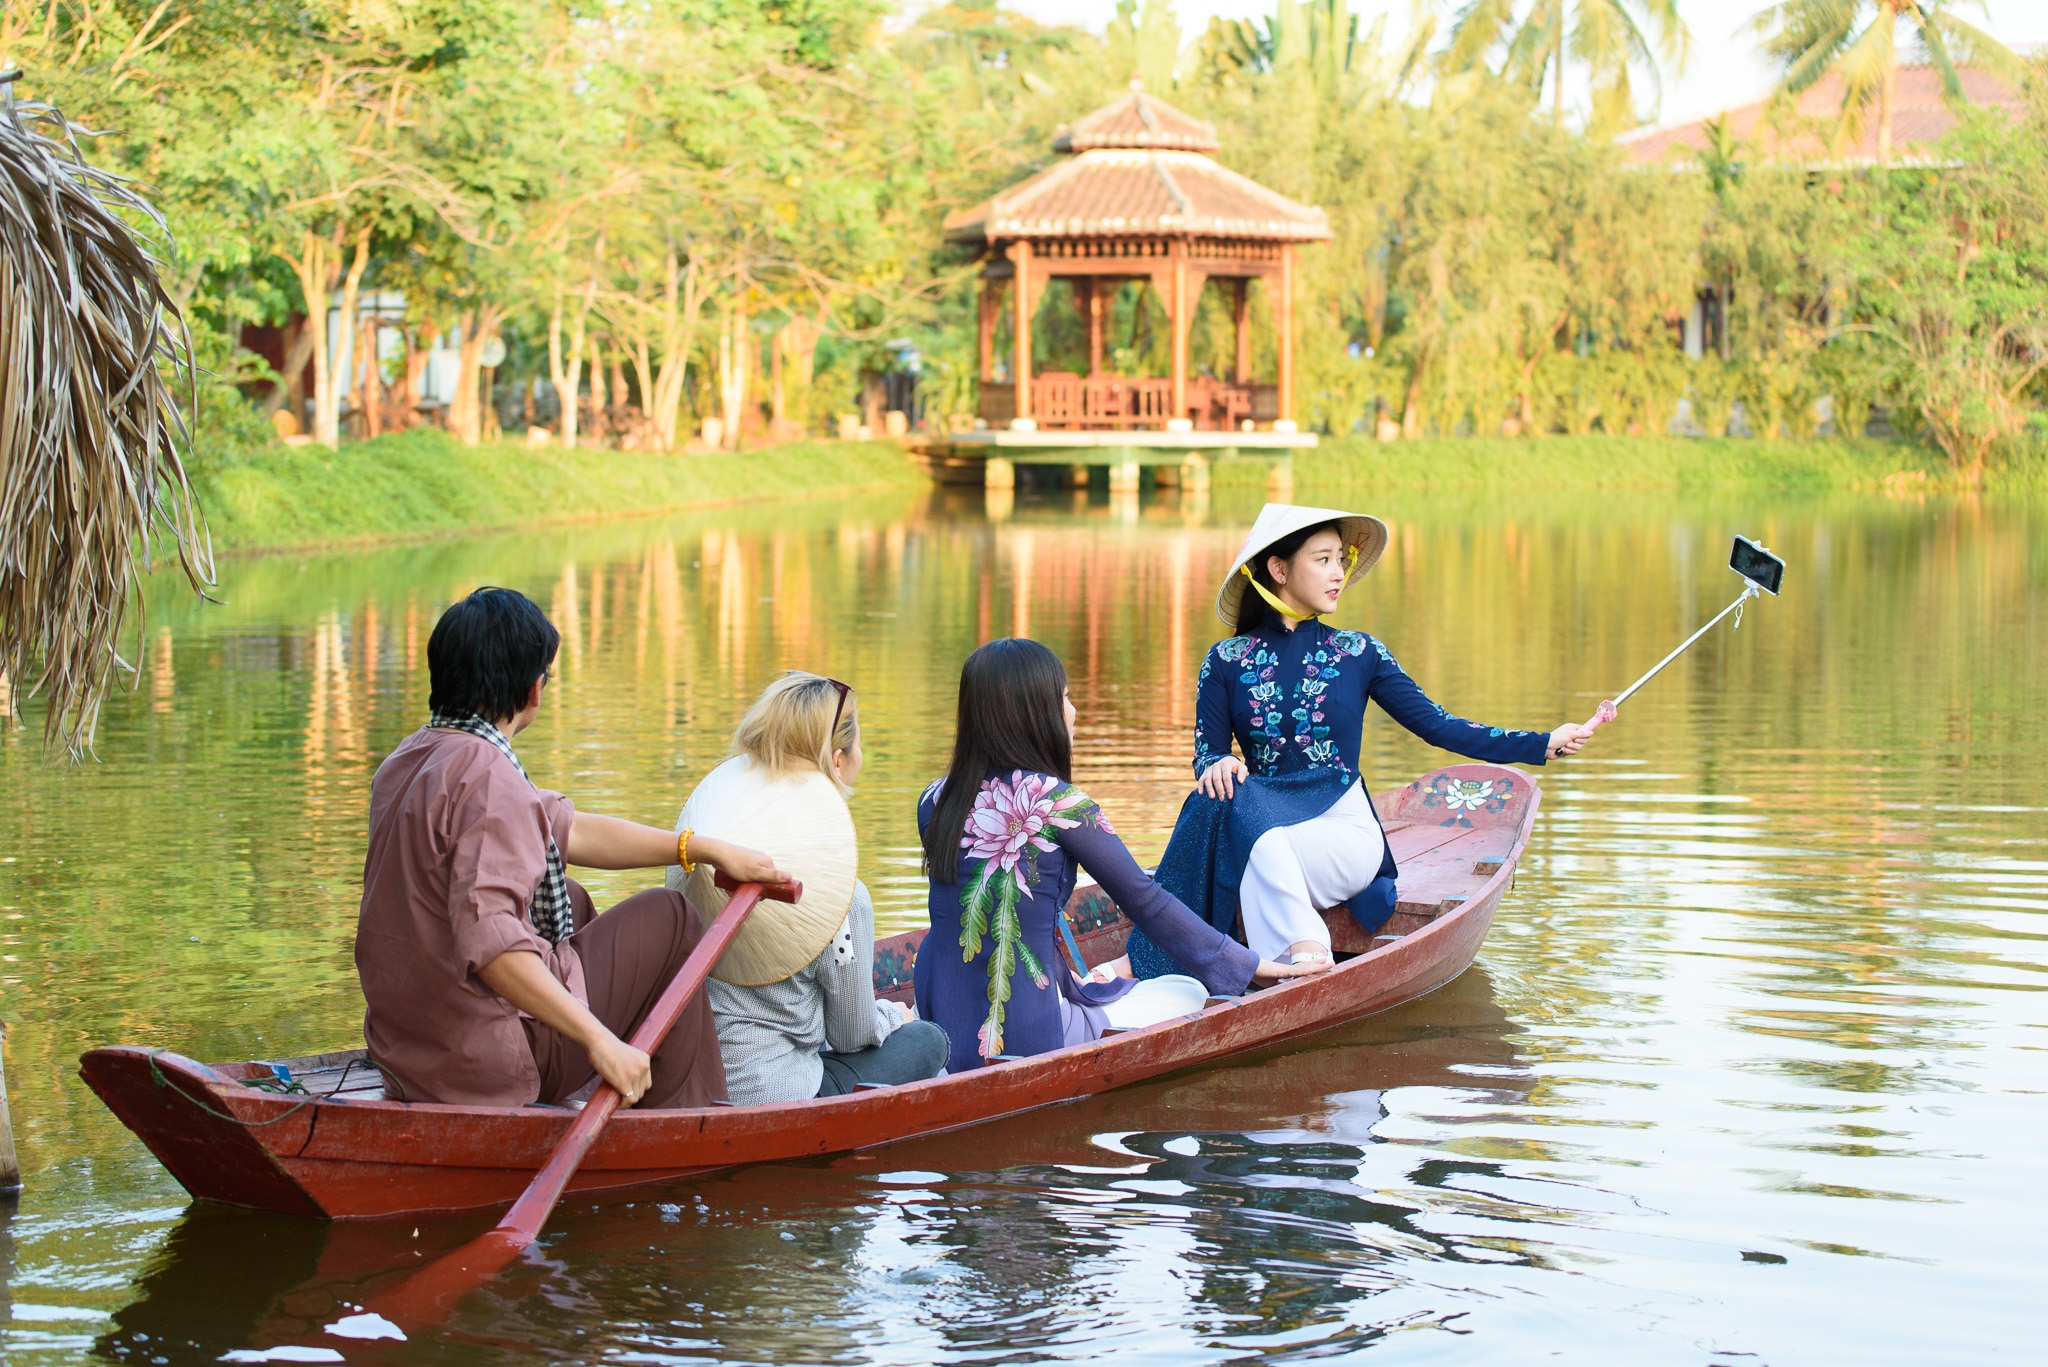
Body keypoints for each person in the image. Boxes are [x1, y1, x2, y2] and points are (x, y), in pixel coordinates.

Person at [354, 587, 783, 1110]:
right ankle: (683, 1112)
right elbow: (493, 948)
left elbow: (570, 830)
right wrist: (600, 1042)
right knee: (673, 917)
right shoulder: (489, 778)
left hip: (410, 1052)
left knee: (570, 897)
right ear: (533, 690)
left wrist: (701, 848)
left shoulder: (414, 758)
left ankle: (621, 1073)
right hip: (486, 1062)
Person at [1125, 504, 1594, 978]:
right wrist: (1216, 763)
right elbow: (1207, 752)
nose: (1338, 574)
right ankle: (1273, 955)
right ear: (1279, 568)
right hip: (1264, 833)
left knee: (1247, 823)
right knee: (1226, 804)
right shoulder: (1226, 660)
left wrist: (1540, 743)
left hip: (1343, 832)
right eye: (1323, 559)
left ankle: (1297, 955)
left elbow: (1438, 725)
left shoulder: (1359, 652)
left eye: (1340, 560)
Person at [914, 638, 1326, 1074]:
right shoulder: (1059, 804)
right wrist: (1249, 965)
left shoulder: (934, 800)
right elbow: (1146, 900)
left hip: (940, 1013)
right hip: (1030, 1028)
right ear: (1035, 714)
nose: (1073, 712)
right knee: (1185, 990)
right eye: (1066, 698)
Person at [674, 672, 949, 1104]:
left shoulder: (711, 847)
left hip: (692, 1076)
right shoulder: (838, 893)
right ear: (838, 760)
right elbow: (851, 1036)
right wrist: (892, 1015)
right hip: (771, 1090)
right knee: (930, 1041)